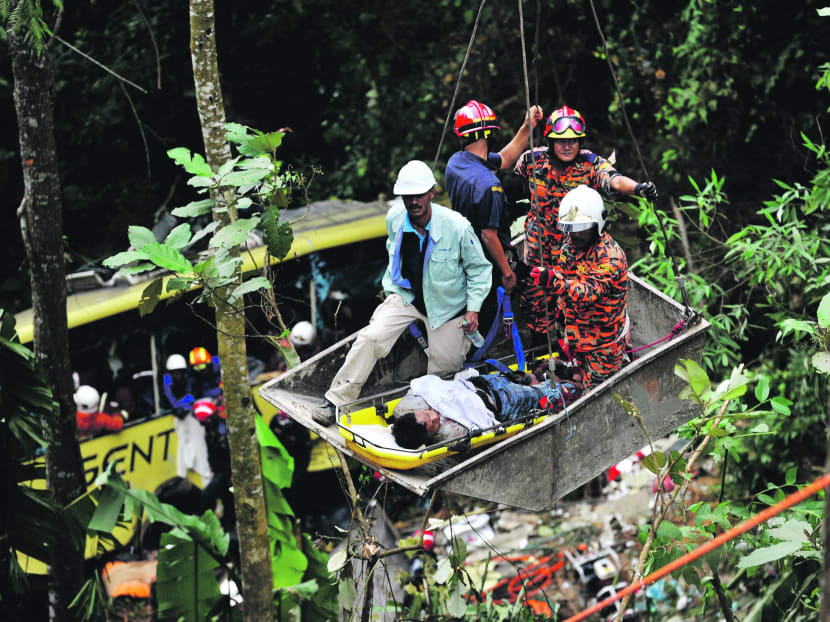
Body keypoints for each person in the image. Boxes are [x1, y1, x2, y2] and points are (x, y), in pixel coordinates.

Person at [313, 160, 492, 425]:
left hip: (448, 307)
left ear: (431, 192)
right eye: (408, 196)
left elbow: (479, 269)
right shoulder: (395, 218)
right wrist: (391, 290)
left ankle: (425, 420)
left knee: (445, 368)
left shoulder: (457, 227)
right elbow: (392, 253)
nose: (413, 202)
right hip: (407, 296)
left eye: (419, 195)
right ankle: (336, 401)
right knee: (371, 337)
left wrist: (473, 308)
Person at [514, 105, 656, 343]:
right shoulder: (532, 160)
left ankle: (567, 350)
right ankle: (539, 350)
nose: (567, 146)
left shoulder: (589, 163)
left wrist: (638, 189)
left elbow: (614, 180)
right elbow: (512, 178)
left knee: (570, 297)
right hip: (538, 241)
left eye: (573, 140)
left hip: (571, 245)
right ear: (550, 141)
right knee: (536, 296)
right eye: (561, 141)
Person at [445, 100, 544, 332]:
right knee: (489, 321)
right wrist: (507, 274)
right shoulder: (489, 185)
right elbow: (489, 236)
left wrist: (527, 127)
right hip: (487, 265)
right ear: (488, 133)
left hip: (464, 257)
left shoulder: (457, 163)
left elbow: (505, 158)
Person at [529, 185, 629, 391]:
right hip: (576, 335)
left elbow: (588, 292)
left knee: (596, 397)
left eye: (581, 229)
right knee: (573, 379)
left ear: (597, 225)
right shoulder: (572, 245)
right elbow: (565, 273)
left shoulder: (610, 257)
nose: (574, 235)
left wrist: (555, 282)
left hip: (602, 345)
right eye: (570, 229)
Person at [391, 370, 551, 449]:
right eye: (432, 427)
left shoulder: (414, 403)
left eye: (427, 414)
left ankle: (534, 378)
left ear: (415, 412)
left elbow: (400, 410)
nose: (434, 418)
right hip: (505, 400)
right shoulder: (451, 434)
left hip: (483, 382)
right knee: (553, 391)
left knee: (527, 379)